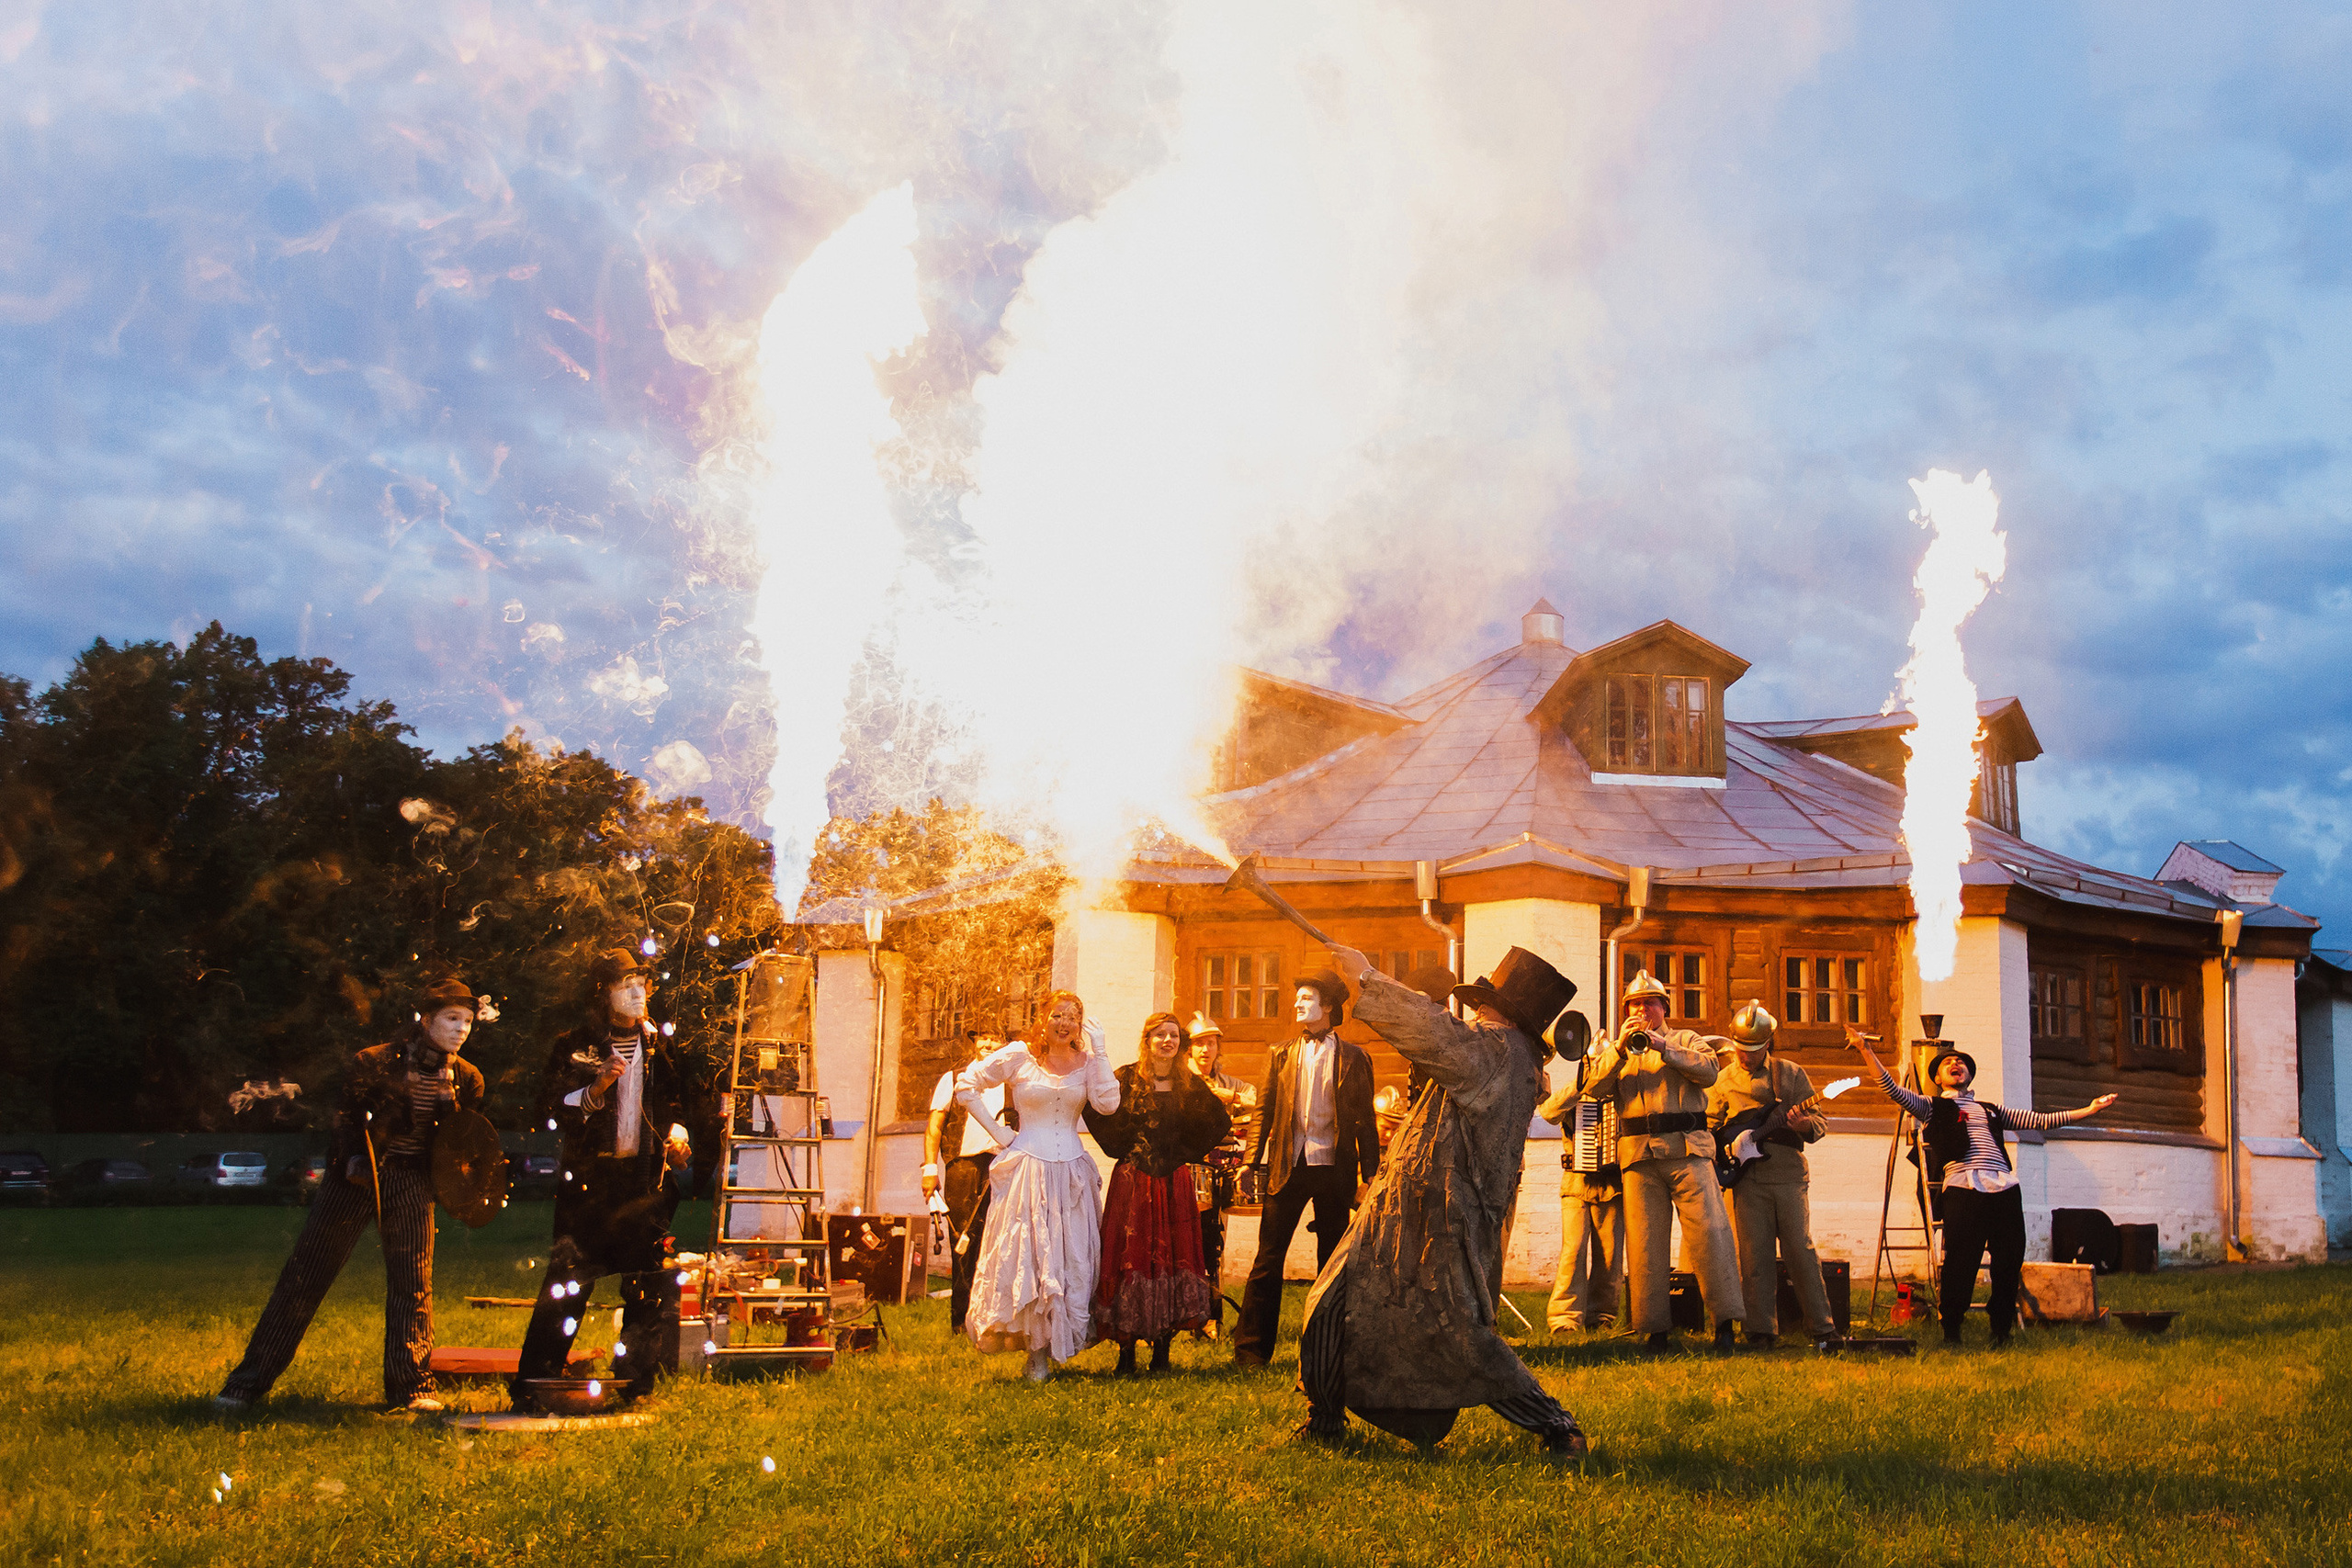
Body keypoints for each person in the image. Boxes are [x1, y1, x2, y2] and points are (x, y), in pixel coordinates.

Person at [1291, 943, 1589, 1457]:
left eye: (1484, 1005)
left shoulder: (1498, 1051)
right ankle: (1325, 1418)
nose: (1475, 1013)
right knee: (1330, 1304)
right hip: (1402, 1207)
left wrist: (1367, 976)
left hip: (1442, 1220)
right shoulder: (1502, 1051)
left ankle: (1555, 1424)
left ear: (1506, 1015)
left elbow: (1432, 1031)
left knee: (1461, 1335)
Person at [214, 976, 486, 1414]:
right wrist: (355, 1159)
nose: (461, 1029)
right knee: (307, 1275)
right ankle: (245, 1386)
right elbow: (347, 1119)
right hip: (358, 1177)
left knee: (413, 1285)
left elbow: (459, 1142)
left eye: (468, 1021)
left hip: (412, 1181)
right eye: (452, 1018)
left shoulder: (469, 1079)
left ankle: (412, 1388)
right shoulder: (375, 1062)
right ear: (426, 1019)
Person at [511, 948, 707, 1410]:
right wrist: (594, 1088)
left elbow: (677, 1103)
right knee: (567, 1284)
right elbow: (548, 1109)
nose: (638, 994)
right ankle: (535, 1384)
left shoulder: (660, 1046)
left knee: (646, 1286)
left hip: (644, 1183)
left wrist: (678, 1133)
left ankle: (634, 1386)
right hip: (591, 1187)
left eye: (642, 984)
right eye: (625, 985)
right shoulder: (575, 1045)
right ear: (603, 993)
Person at [1849, 1025, 2117, 1346]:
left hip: (2004, 1188)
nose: (1955, 1064)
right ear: (1938, 1079)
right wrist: (1865, 1049)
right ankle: (1952, 1330)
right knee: (1961, 1262)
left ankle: (2001, 1331)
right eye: (1947, 1063)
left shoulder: (1991, 1110)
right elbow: (1892, 1089)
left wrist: (2090, 1109)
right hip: (1964, 1187)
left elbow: (2040, 1120)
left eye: (1960, 1062)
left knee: (2008, 1262)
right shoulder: (1933, 1106)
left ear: (1969, 1075)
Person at [956, 990, 1119, 1382]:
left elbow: (1108, 1104)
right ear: (1042, 1019)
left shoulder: (1088, 1063)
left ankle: (1058, 1340)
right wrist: (999, 1132)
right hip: (1028, 1169)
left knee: (1067, 1257)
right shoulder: (1019, 1055)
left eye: (1072, 1017)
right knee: (1029, 1257)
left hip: (1071, 1174)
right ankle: (1036, 1354)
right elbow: (966, 1085)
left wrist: (1100, 1050)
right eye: (1057, 1015)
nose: (1064, 1024)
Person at [1580, 970, 1743, 1352]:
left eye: (1649, 1003)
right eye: (1634, 1004)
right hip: (1639, 1157)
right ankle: (1653, 1329)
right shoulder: (1617, 1050)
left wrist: (1663, 1047)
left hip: (1688, 1151)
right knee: (1644, 1243)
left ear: (1663, 1008)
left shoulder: (1685, 1039)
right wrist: (1619, 1051)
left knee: (1711, 1235)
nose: (1641, 1010)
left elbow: (1709, 1071)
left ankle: (1725, 1323)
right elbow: (1593, 1088)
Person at [1232, 969, 1380, 1368]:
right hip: (1288, 1166)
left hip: (1334, 1169)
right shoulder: (1279, 1054)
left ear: (1327, 1006)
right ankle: (1251, 1352)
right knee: (1268, 1259)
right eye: (1297, 997)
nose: (1297, 1003)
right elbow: (1262, 1112)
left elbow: (1365, 1119)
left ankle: (1327, 1352)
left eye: (1307, 997)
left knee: (1331, 1261)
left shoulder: (1354, 1057)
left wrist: (1371, 1174)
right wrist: (1250, 1161)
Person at [1086, 1012, 1231, 1372]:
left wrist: (1184, 1153)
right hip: (1133, 1181)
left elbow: (1219, 1121)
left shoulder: (1189, 1084)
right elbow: (1095, 1109)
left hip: (1173, 1183)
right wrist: (1123, 1149)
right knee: (1130, 1258)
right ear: (1147, 1040)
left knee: (1172, 1258)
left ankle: (1162, 1353)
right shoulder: (1126, 1078)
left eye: (1174, 1036)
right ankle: (1126, 1353)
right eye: (1160, 1035)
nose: (1168, 1041)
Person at [1706, 1001, 1837, 1348]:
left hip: (1788, 1174)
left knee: (1801, 1252)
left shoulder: (1789, 1074)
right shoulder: (1721, 1081)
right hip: (1746, 1180)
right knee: (1753, 1257)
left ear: (1768, 1044)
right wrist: (1723, 1154)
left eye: (1754, 1048)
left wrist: (1803, 1124)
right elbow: (1709, 1128)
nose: (1746, 1055)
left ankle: (1822, 1328)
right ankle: (1760, 1331)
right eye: (1741, 1048)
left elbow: (1819, 1122)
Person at [922, 1032, 1015, 1334]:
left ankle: (993, 1320)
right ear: (974, 1043)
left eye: (995, 1040)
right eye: (983, 1039)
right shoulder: (953, 1079)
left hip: (1003, 1167)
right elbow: (935, 1126)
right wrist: (929, 1170)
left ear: (1004, 1045)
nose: (988, 1045)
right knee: (962, 1241)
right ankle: (961, 1322)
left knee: (1001, 1242)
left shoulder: (1013, 1081)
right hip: (963, 1168)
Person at [1536, 1053, 1623, 1335]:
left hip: (1612, 1184)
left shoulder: (1620, 1095)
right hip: (1576, 1183)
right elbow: (1549, 1112)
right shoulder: (1574, 1093)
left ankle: (1602, 1315)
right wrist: (1579, 1084)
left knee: (1609, 1255)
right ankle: (1564, 1318)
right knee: (1573, 1251)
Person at [1185, 1012, 1257, 1335]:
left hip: (1219, 1170)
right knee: (1188, 1242)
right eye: (1199, 1043)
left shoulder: (1230, 1084)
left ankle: (1212, 1316)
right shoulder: (1180, 1080)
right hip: (1186, 1168)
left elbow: (1258, 1103)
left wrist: (1234, 1098)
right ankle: (1187, 1314)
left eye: (1211, 1043)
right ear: (1189, 1049)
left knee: (1216, 1244)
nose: (1205, 1050)